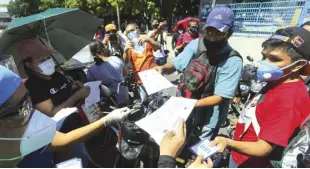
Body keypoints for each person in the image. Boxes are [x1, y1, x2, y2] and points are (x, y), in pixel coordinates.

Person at [211, 27, 310, 168]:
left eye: (274, 59)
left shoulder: (289, 101)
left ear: (298, 65)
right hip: (241, 157)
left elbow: (263, 148)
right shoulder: (277, 81)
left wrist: (228, 142)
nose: (264, 63)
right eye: (264, 56)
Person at [0, 65, 132, 168]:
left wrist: (105, 120)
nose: (32, 114)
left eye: (29, 100)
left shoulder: (25, 128)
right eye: (22, 108)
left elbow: (64, 139)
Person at [155, 7, 243, 140]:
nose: (212, 37)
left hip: (209, 118)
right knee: (179, 140)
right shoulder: (196, 44)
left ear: (229, 34)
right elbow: (176, 64)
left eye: (219, 33)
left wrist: (190, 104)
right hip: (185, 108)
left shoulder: (233, 60)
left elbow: (220, 97)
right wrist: (163, 68)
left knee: (198, 151)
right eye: (209, 31)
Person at [20, 39, 90, 117]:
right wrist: (77, 96)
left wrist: (75, 88)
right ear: (29, 65)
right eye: (42, 60)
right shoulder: (33, 86)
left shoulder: (57, 75)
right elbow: (51, 113)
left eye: (48, 57)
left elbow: (65, 95)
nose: (48, 62)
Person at [123, 23, 160, 101]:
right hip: (141, 81)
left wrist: (149, 40)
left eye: (132, 30)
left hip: (154, 77)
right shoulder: (129, 46)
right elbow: (125, 61)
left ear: (138, 30)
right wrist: (125, 51)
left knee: (159, 101)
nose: (130, 33)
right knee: (146, 104)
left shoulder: (146, 41)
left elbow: (158, 47)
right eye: (128, 32)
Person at [87, 40, 129, 106]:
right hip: (124, 94)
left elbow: (92, 90)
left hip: (110, 101)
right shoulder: (116, 59)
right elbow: (126, 74)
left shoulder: (91, 70)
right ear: (104, 49)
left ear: (92, 54)